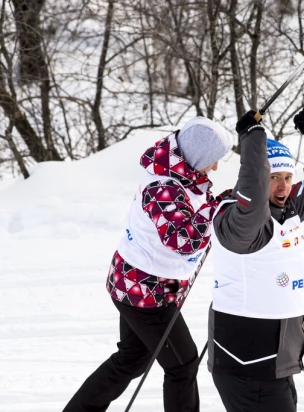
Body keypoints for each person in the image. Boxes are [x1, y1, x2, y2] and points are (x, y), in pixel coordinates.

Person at [64, 117, 232, 412]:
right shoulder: (163, 187)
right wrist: (218, 206)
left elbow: (191, 216)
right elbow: (184, 240)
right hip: (146, 293)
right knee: (182, 365)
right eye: (213, 160)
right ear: (197, 155)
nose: (216, 167)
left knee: (132, 358)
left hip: (134, 285)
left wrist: (216, 203)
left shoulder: (180, 175)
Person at [206, 105, 304, 411]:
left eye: (288, 177)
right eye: (274, 176)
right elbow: (251, 200)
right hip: (248, 365)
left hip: (278, 361)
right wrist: (252, 140)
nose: (282, 186)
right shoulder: (239, 222)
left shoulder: (287, 210)